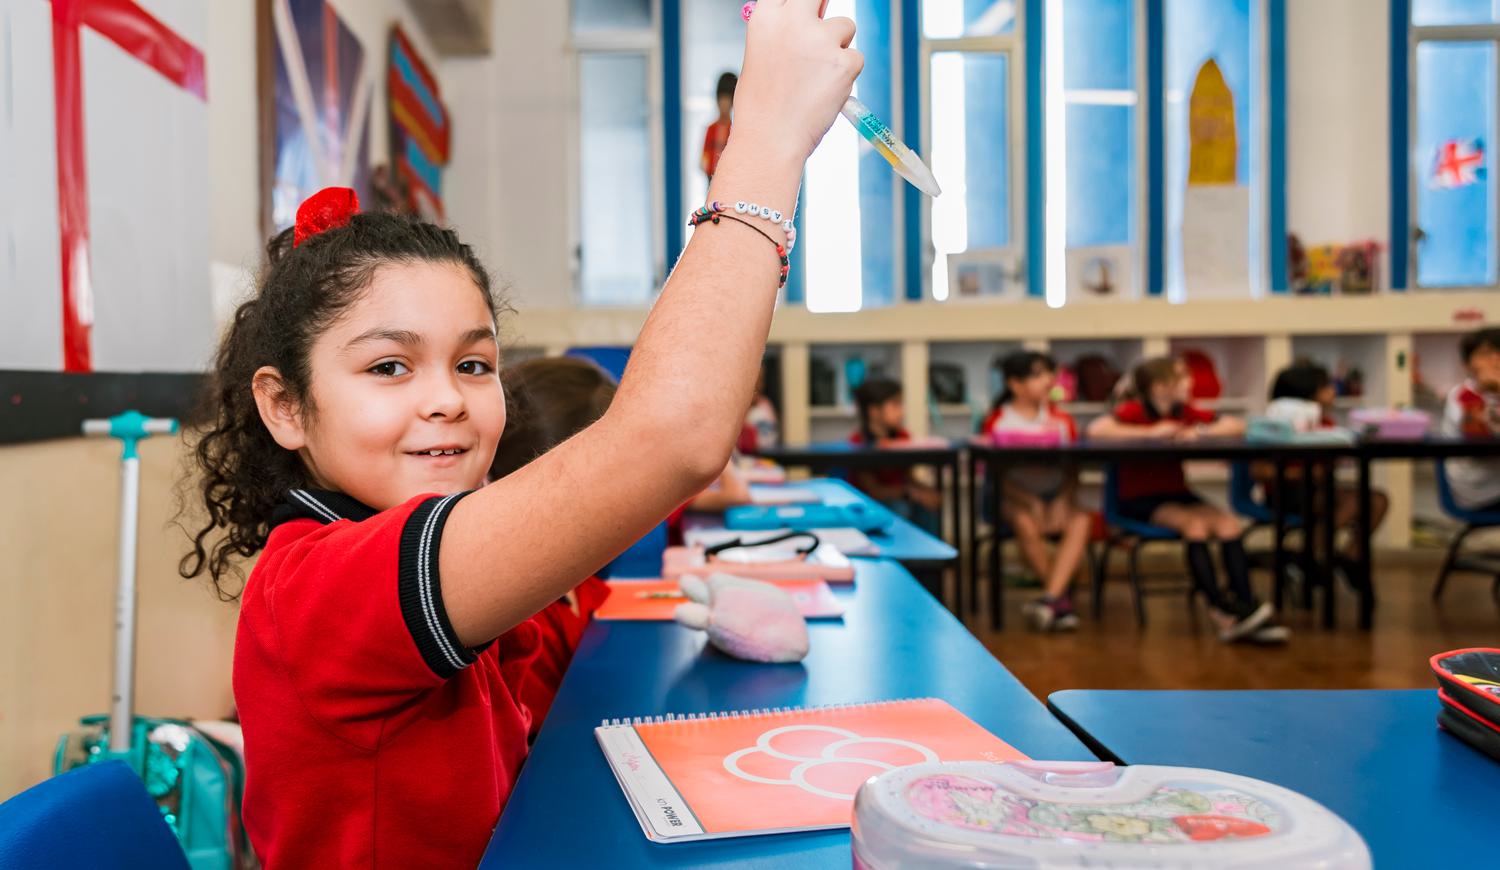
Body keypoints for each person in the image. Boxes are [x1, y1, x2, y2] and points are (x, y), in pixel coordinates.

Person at [178, 7, 864, 864]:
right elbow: (673, 438)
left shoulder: (412, 549)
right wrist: (764, 137)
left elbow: (558, 638)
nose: (449, 401)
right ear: (285, 407)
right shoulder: (320, 587)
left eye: (473, 365)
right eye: (389, 367)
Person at [1087, 357, 1288, 643]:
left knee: (1230, 525)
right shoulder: (1134, 411)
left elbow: (1234, 425)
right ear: (1159, 387)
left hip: (1177, 493)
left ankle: (1246, 607)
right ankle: (1221, 610)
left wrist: (1198, 431)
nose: (1190, 383)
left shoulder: (1185, 412)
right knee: (1195, 527)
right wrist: (1150, 433)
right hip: (1138, 498)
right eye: (1181, 377)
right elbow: (1098, 429)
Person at [981, 351, 1091, 631]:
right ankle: (1059, 600)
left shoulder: (1061, 421)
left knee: (1081, 520)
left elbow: (1072, 469)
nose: (1048, 380)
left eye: (1049, 374)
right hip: (1012, 499)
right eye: (1038, 375)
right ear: (1015, 384)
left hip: (1055, 496)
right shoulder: (998, 422)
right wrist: (1029, 500)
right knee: (1024, 522)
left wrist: (1063, 500)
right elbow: (995, 475)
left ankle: (1050, 600)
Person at [1257, 362, 1389, 570]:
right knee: (1353, 503)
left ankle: (1348, 559)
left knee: (1377, 501)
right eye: (1326, 387)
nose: (1333, 391)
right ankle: (1309, 557)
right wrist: (1304, 473)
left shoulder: (1327, 424)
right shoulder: (1271, 427)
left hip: (1320, 490)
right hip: (1287, 494)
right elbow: (1259, 470)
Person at [849, 378, 942, 530]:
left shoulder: (902, 437)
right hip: (869, 504)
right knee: (900, 508)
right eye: (895, 405)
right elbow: (873, 490)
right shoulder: (858, 443)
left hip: (901, 496)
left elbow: (908, 477)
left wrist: (926, 491)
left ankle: (931, 554)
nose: (902, 411)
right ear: (874, 411)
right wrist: (912, 493)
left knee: (928, 505)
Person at [1441, 327, 1500, 509]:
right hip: (1479, 487)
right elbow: (1480, 440)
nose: (1495, 360)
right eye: (1485, 354)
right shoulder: (1463, 396)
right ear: (1467, 364)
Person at [702, 72, 738, 180]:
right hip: (711, 176)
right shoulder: (711, 128)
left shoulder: (734, 131)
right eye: (721, 99)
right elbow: (705, 154)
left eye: (727, 100)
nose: (724, 104)